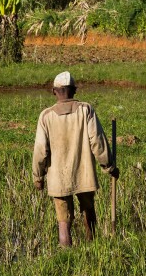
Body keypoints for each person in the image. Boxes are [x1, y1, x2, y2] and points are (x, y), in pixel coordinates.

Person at [32, 71, 119, 247]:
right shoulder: (86, 110)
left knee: (63, 221)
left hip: (58, 177)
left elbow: (41, 150)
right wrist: (109, 166)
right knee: (89, 210)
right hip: (83, 172)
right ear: (75, 90)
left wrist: (38, 176)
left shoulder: (46, 116)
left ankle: (67, 256)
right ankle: (92, 246)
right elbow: (97, 142)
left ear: (54, 91)